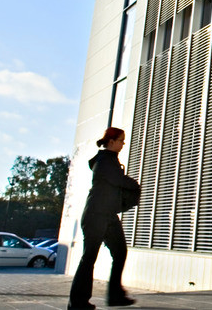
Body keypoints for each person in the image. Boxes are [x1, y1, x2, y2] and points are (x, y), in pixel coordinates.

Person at [69, 127, 141, 309]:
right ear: (111, 141)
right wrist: (135, 185)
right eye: (121, 141)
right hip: (95, 215)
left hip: (108, 216)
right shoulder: (104, 161)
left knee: (120, 252)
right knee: (89, 257)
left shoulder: (110, 161)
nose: (123, 144)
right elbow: (119, 181)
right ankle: (77, 303)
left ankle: (115, 296)